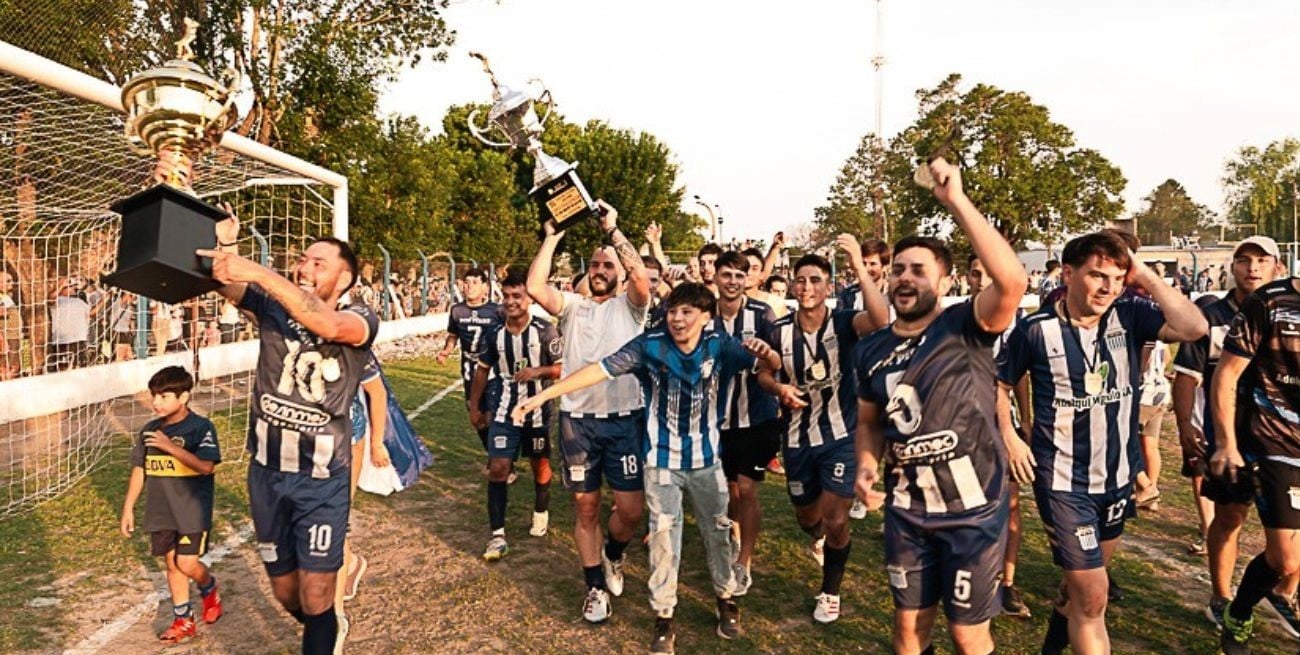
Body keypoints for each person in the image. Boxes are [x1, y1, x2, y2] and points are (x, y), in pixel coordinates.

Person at [514, 282, 781, 655]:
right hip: (661, 466)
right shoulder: (649, 346)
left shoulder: (720, 345)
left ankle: (726, 599)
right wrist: (544, 395)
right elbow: (597, 370)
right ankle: (664, 617)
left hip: (707, 464)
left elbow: (771, 365)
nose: (677, 318)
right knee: (663, 541)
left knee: (718, 534)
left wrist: (769, 354)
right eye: (673, 310)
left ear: (706, 317)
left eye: (688, 311)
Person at [998, 230, 1206, 655]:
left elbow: (1194, 326)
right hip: (1063, 482)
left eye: (1115, 277)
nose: (1107, 286)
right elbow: (996, 384)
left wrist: (1142, 274)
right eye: (1096, 275)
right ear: (1069, 274)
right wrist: (1011, 438)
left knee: (1077, 591)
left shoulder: (1130, 314)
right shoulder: (1036, 330)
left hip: (1117, 475)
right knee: (1094, 595)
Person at [854, 157, 1027, 655]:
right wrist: (866, 464)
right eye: (898, 270)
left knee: (968, 635)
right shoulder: (870, 349)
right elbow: (869, 423)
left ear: (946, 283)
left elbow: (1012, 282)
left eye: (919, 271)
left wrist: (956, 201)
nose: (904, 279)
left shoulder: (963, 327)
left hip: (972, 513)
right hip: (908, 511)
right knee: (909, 632)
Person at [198, 204, 379, 654]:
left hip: (322, 480)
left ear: (345, 280)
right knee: (287, 595)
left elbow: (326, 322)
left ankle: (323, 629)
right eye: (303, 258)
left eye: (319, 263)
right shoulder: (273, 306)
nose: (304, 267)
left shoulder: (362, 317)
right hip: (266, 473)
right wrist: (225, 244)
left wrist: (260, 271)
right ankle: (325, 627)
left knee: (317, 594)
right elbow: (226, 282)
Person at [525, 200, 651, 623]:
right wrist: (553, 235)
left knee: (630, 511)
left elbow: (641, 279)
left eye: (607, 265)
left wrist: (614, 232)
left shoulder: (632, 306)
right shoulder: (572, 307)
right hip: (577, 421)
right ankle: (594, 586)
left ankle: (614, 553)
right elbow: (535, 287)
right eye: (595, 263)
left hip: (626, 420)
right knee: (585, 508)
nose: (600, 269)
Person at [757, 238, 888, 624]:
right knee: (806, 517)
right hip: (797, 438)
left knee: (836, 518)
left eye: (816, 280)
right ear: (794, 287)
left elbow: (880, 320)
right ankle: (818, 541)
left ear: (828, 287)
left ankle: (830, 591)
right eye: (801, 280)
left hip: (840, 437)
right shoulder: (778, 329)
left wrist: (859, 266)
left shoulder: (845, 322)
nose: (807, 287)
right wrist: (779, 388)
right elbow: (765, 374)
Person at [1172, 237, 1298, 633]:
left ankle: (1278, 595)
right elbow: (1200, 376)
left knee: (1286, 552)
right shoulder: (1220, 311)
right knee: (1229, 517)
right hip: (1246, 434)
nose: (1252, 268)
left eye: (1261, 260)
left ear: (1277, 264)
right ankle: (1223, 597)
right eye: (1244, 260)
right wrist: (1204, 435)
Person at [1209, 244, 1300, 654]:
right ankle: (1238, 613)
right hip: (1273, 439)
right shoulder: (1271, 302)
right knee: (1284, 561)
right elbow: (1226, 375)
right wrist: (1226, 442)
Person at [119, 366, 223, 644]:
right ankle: (183, 620)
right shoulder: (149, 431)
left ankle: (208, 586)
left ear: (184, 397)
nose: (156, 402)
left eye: (164, 396)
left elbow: (206, 467)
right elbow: (140, 469)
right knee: (171, 564)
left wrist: (171, 447)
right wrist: (128, 507)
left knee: (186, 563)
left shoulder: (201, 428)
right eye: (154, 396)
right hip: (161, 511)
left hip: (191, 511)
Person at [469, 271, 563, 560]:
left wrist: (539, 371)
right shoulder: (494, 333)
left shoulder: (545, 331)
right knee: (498, 467)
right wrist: (475, 406)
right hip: (504, 410)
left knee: (540, 466)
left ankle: (540, 511)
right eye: (506, 296)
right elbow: (482, 370)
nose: (510, 302)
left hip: (537, 411)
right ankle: (497, 535)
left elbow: (562, 368)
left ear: (530, 299)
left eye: (517, 296)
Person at [710, 251, 780, 596]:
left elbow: (776, 360)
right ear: (716, 276)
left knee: (748, 489)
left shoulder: (761, 313)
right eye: (727, 274)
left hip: (756, 417)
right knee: (727, 492)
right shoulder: (703, 314)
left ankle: (744, 563)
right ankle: (734, 538)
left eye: (740, 275)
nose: (733, 281)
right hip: (712, 420)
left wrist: (765, 354)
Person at [333, 352, 391, 652]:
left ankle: (335, 618)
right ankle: (352, 562)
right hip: (301, 443)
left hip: (346, 437)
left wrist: (377, 442)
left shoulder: (351, 336)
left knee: (334, 523)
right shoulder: (288, 337)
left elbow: (376, 390)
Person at [436, 268, 504, 469]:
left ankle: (500, 460)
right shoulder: (457, 310)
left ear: (485, 286)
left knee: (492, 415)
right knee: (477, 418)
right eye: (466, 282)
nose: (469, 287)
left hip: (492, 371)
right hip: (469, 371)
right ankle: (493, 454)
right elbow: (453, 334)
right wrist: (447, 350)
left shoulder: (497, 311)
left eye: (475, 282)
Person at [1133, 340, 1172, 510]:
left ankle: (1147, 486)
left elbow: (1141, 363)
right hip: (1160, 391)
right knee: (1151, 445)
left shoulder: (1142, 336)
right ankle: (1151, 496)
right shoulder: (1160, 337)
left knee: (1123, 443)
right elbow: (1168, 357)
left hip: (1143, 393)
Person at [836, 237, 890, 311]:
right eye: (863, 263)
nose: (866, 269)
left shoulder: (894, 295)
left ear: (884, 267)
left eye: (873, 264)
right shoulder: (847, 295)